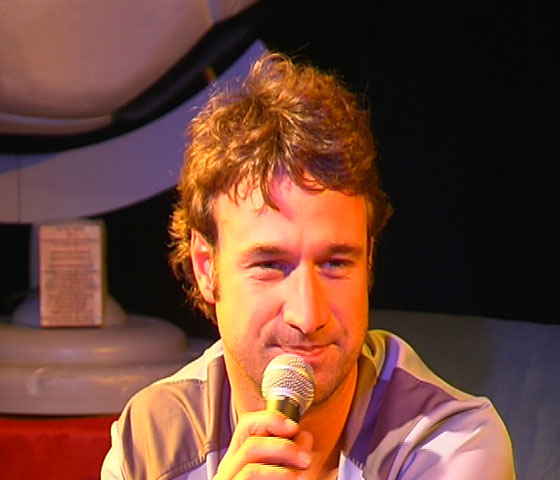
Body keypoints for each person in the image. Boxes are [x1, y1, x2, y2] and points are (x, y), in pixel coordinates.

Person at [101, 52, 515, 479]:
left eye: (335, 263)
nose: (308, 315)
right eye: (270, 265)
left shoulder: (453, 447)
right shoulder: (152, 440)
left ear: (369, 259)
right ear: (207, 267)